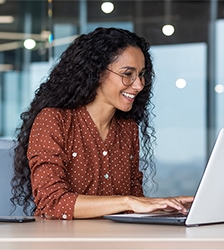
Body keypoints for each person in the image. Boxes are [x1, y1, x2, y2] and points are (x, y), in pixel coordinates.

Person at [11, 27, 193, 220]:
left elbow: (133, 207)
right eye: (128, 74)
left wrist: (168, 206)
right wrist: (127, 201)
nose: (139, 85)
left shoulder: (128, 129)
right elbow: (52, 203)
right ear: (97, 72)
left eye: (141, 74)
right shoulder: (53, 120)